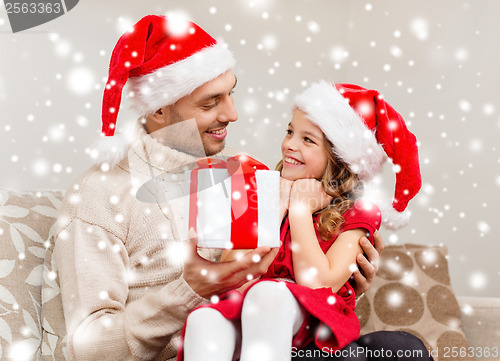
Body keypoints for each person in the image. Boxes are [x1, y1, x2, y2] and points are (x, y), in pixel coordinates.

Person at [51, 15, 386, 361]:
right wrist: (189, 291)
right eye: (211, 103)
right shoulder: (99, 197)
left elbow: (277, 287)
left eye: (231, 94)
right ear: (160, 108)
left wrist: (339, 288)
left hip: (263, 341)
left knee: (401, 348)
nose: (233, 114)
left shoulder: (244, 173)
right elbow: (87, 350)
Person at [179, 81, 429, 361]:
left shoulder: (359, 212)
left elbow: (317, 285)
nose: (289, 145)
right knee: (205, 320)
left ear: (339, 157)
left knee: (268, 293)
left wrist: (299, 209)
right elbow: (233, 279)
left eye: (307, 140)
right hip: (254, 315)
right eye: (289, 132)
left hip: (313, 326)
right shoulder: (261, 192)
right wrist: (277, 210)